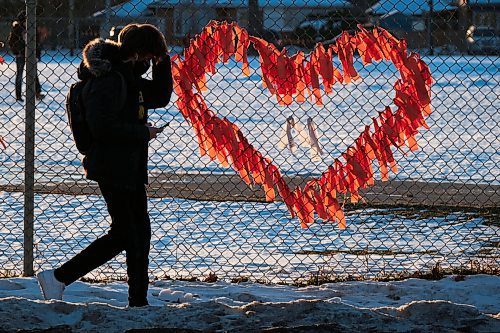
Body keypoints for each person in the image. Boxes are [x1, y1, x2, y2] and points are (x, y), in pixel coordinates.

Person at [36, 23, 173, 307]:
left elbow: (159, 96)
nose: (149, 63)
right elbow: (101, 127)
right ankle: (59, 277)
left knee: (138, 232)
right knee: (126, 232)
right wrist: (142, 133)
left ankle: (138, 301)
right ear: (137, 54)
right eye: (149, 56)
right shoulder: (110, 79)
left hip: (127, 166)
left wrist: (163, 61)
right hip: (112, 166)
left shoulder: (124, 75)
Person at [8, 10, 45, 101]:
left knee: (34, 74)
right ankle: (18, 95)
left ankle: (37, 92)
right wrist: (17, 52)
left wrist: (37, 54)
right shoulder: (17, 29)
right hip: (21, 55)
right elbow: (11, 42)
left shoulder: (32, 28)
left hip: (31, 55)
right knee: (19, 75)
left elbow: (37, 43)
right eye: (25, 20)